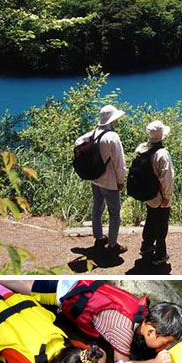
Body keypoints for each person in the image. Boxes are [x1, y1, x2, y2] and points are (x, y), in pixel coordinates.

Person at [0, 280, 182, 363]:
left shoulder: (142, 310)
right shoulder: (123, 330)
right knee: (12, 281)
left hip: (78, 285)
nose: (167, 347)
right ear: (151, 332)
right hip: (60, 292)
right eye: (168, 342)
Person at [75, 104, 127, 256]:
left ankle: (99, 238)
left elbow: (78, 141)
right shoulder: (112, 137)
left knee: (97, 208)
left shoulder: (94, 133)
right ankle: (112, 245)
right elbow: (119, 163)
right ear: (112, 120)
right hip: (109, 181)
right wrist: (121, 180)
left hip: (95, 178)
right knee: (114, 213)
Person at [135, 120, 174, 265]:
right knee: (161, 225)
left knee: (151, 220)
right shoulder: (162, 154)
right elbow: (167, 178)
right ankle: (160, 254)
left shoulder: (142, 150)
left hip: (148, 194)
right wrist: (167, 197)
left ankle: (146, 247)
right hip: (160, 196)